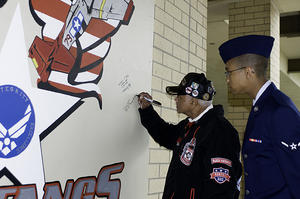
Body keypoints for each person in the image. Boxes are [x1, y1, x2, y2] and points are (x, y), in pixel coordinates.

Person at [219, 34, 300, 199]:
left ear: (249, 72)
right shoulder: (261, 106)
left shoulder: (279, 110)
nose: (227, 79)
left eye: (229, 72)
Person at [138, 73, 242, 199]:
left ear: (193, 101)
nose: (176, 99)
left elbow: (221, 190)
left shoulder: (220, 131)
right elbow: (165, 135)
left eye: (180, 96)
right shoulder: (189, 125)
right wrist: (147, 110)